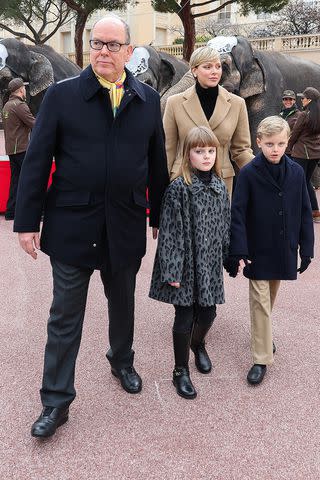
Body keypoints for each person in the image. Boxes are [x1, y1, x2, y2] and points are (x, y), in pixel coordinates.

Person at [13, 15, 169, 438]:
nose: (102, 50)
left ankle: (121, 360)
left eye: (112, 44)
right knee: (65, 315)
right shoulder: (63, 97)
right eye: (96, 43)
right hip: (71, 224)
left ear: (129, 51)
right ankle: (56, 401)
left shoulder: (148, 99)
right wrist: (27, 222)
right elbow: (37, 160)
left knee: (123, 302)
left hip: (125, 221)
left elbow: (157, 162)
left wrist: (160, 215)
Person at [225, 116, 314, 385]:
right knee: (260, 300)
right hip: (257, 248)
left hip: (284, 248)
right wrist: (239, 249)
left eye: (281, 143)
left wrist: (306, 248)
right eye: (270, 143)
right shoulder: (249, 173)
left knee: (270, 298)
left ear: (288, 143)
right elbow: (237, 213)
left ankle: (260, 334)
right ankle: (260, 357)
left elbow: (304, 211)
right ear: (259, 142)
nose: (275, 149)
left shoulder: (297, 172)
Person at [149, 126, 230, 399]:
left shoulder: (220, 186)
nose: (206, 156)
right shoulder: (179, 189)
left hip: (209, 265)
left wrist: (229, 255)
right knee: (183, 316)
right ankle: (180, 370)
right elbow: (170, 232)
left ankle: (199, 344)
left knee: (208, 313)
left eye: (210, 151)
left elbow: (225, 225)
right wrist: (172, 268)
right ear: (188, 154)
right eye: (199, 151)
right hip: (184, 265)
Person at [163, 45, 254, 196]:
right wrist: (162, 185)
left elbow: (241, 150)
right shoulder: (174, 103)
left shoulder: (237, 104)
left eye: (218, 66)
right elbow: (168, 149)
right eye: (208, 67)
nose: (215, 71)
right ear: (194, 70)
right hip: (183, 182)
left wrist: (263, 170)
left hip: (221, 184)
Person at [2, 77, 35, 220]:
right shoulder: (19, 105)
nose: (25, 90)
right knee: (31, 180)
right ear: (20, 89)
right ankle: (33, 212)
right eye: (24, 88)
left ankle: (11, 212)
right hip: (22, 149)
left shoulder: (6, 106)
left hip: (11, 149)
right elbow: (34, 124)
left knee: (15, 181)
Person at [287, 87, 320, 221]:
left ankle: (300, 211)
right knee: (305, 181)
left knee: (297, 181)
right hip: (315, 154)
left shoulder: (303, 115)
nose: (301, 100)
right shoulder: (317, 115)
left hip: (301, 154)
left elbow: (295, 134)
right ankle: (315, 211)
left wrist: (288, 147)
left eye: (303, 98)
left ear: (309, 100)